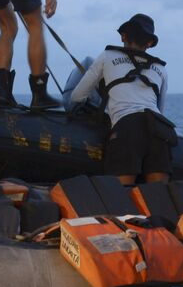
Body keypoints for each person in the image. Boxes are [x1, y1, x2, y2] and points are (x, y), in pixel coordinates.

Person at [70, 14, 171, 184]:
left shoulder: (107, 56)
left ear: (123, 36)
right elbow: (160, 110)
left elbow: (77, 96)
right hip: (159, 131)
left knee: (120, 198)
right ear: (149, 43)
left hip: (127, 128)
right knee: (159, 198)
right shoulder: (161, 69)